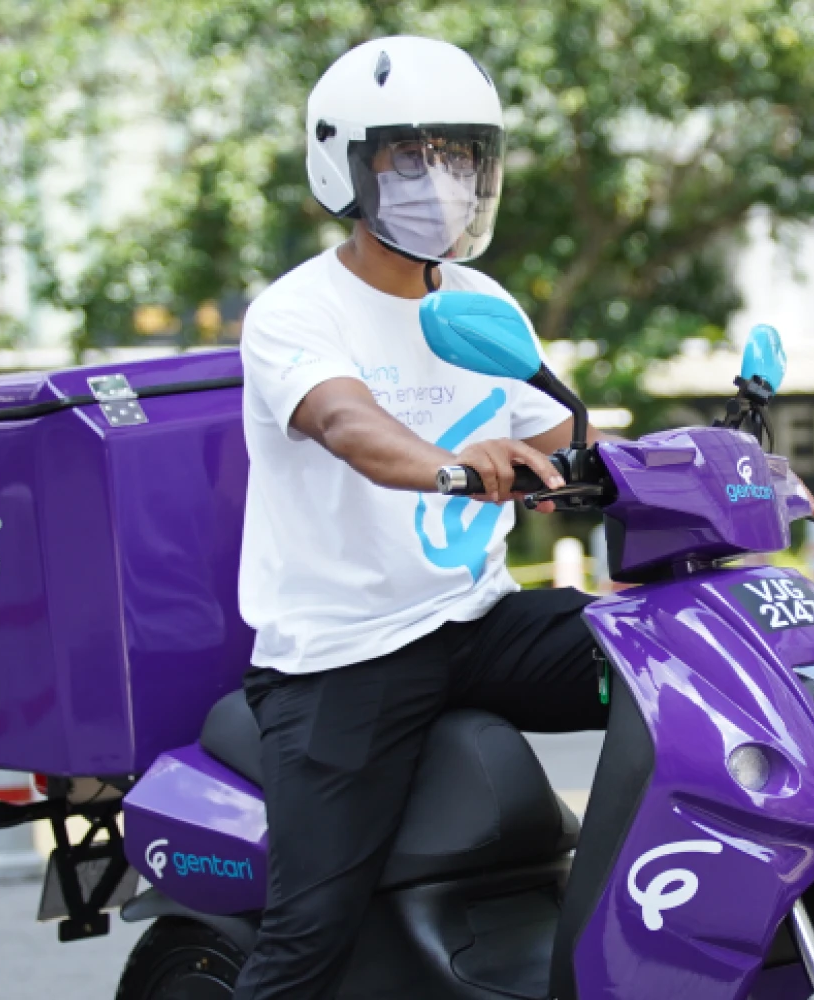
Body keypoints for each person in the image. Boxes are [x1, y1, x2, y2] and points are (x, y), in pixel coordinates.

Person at [233, 36, 610, 1000]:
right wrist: (452, 466)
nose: (437, 180)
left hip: (475, 622)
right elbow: (345, 422)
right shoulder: (296, 311)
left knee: (677, 664)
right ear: (347, 168)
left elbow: (567, 443)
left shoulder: (479, 301)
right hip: (342, 654)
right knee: (311, 930)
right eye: (410, 156)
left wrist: (708, 471)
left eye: (459, 157)